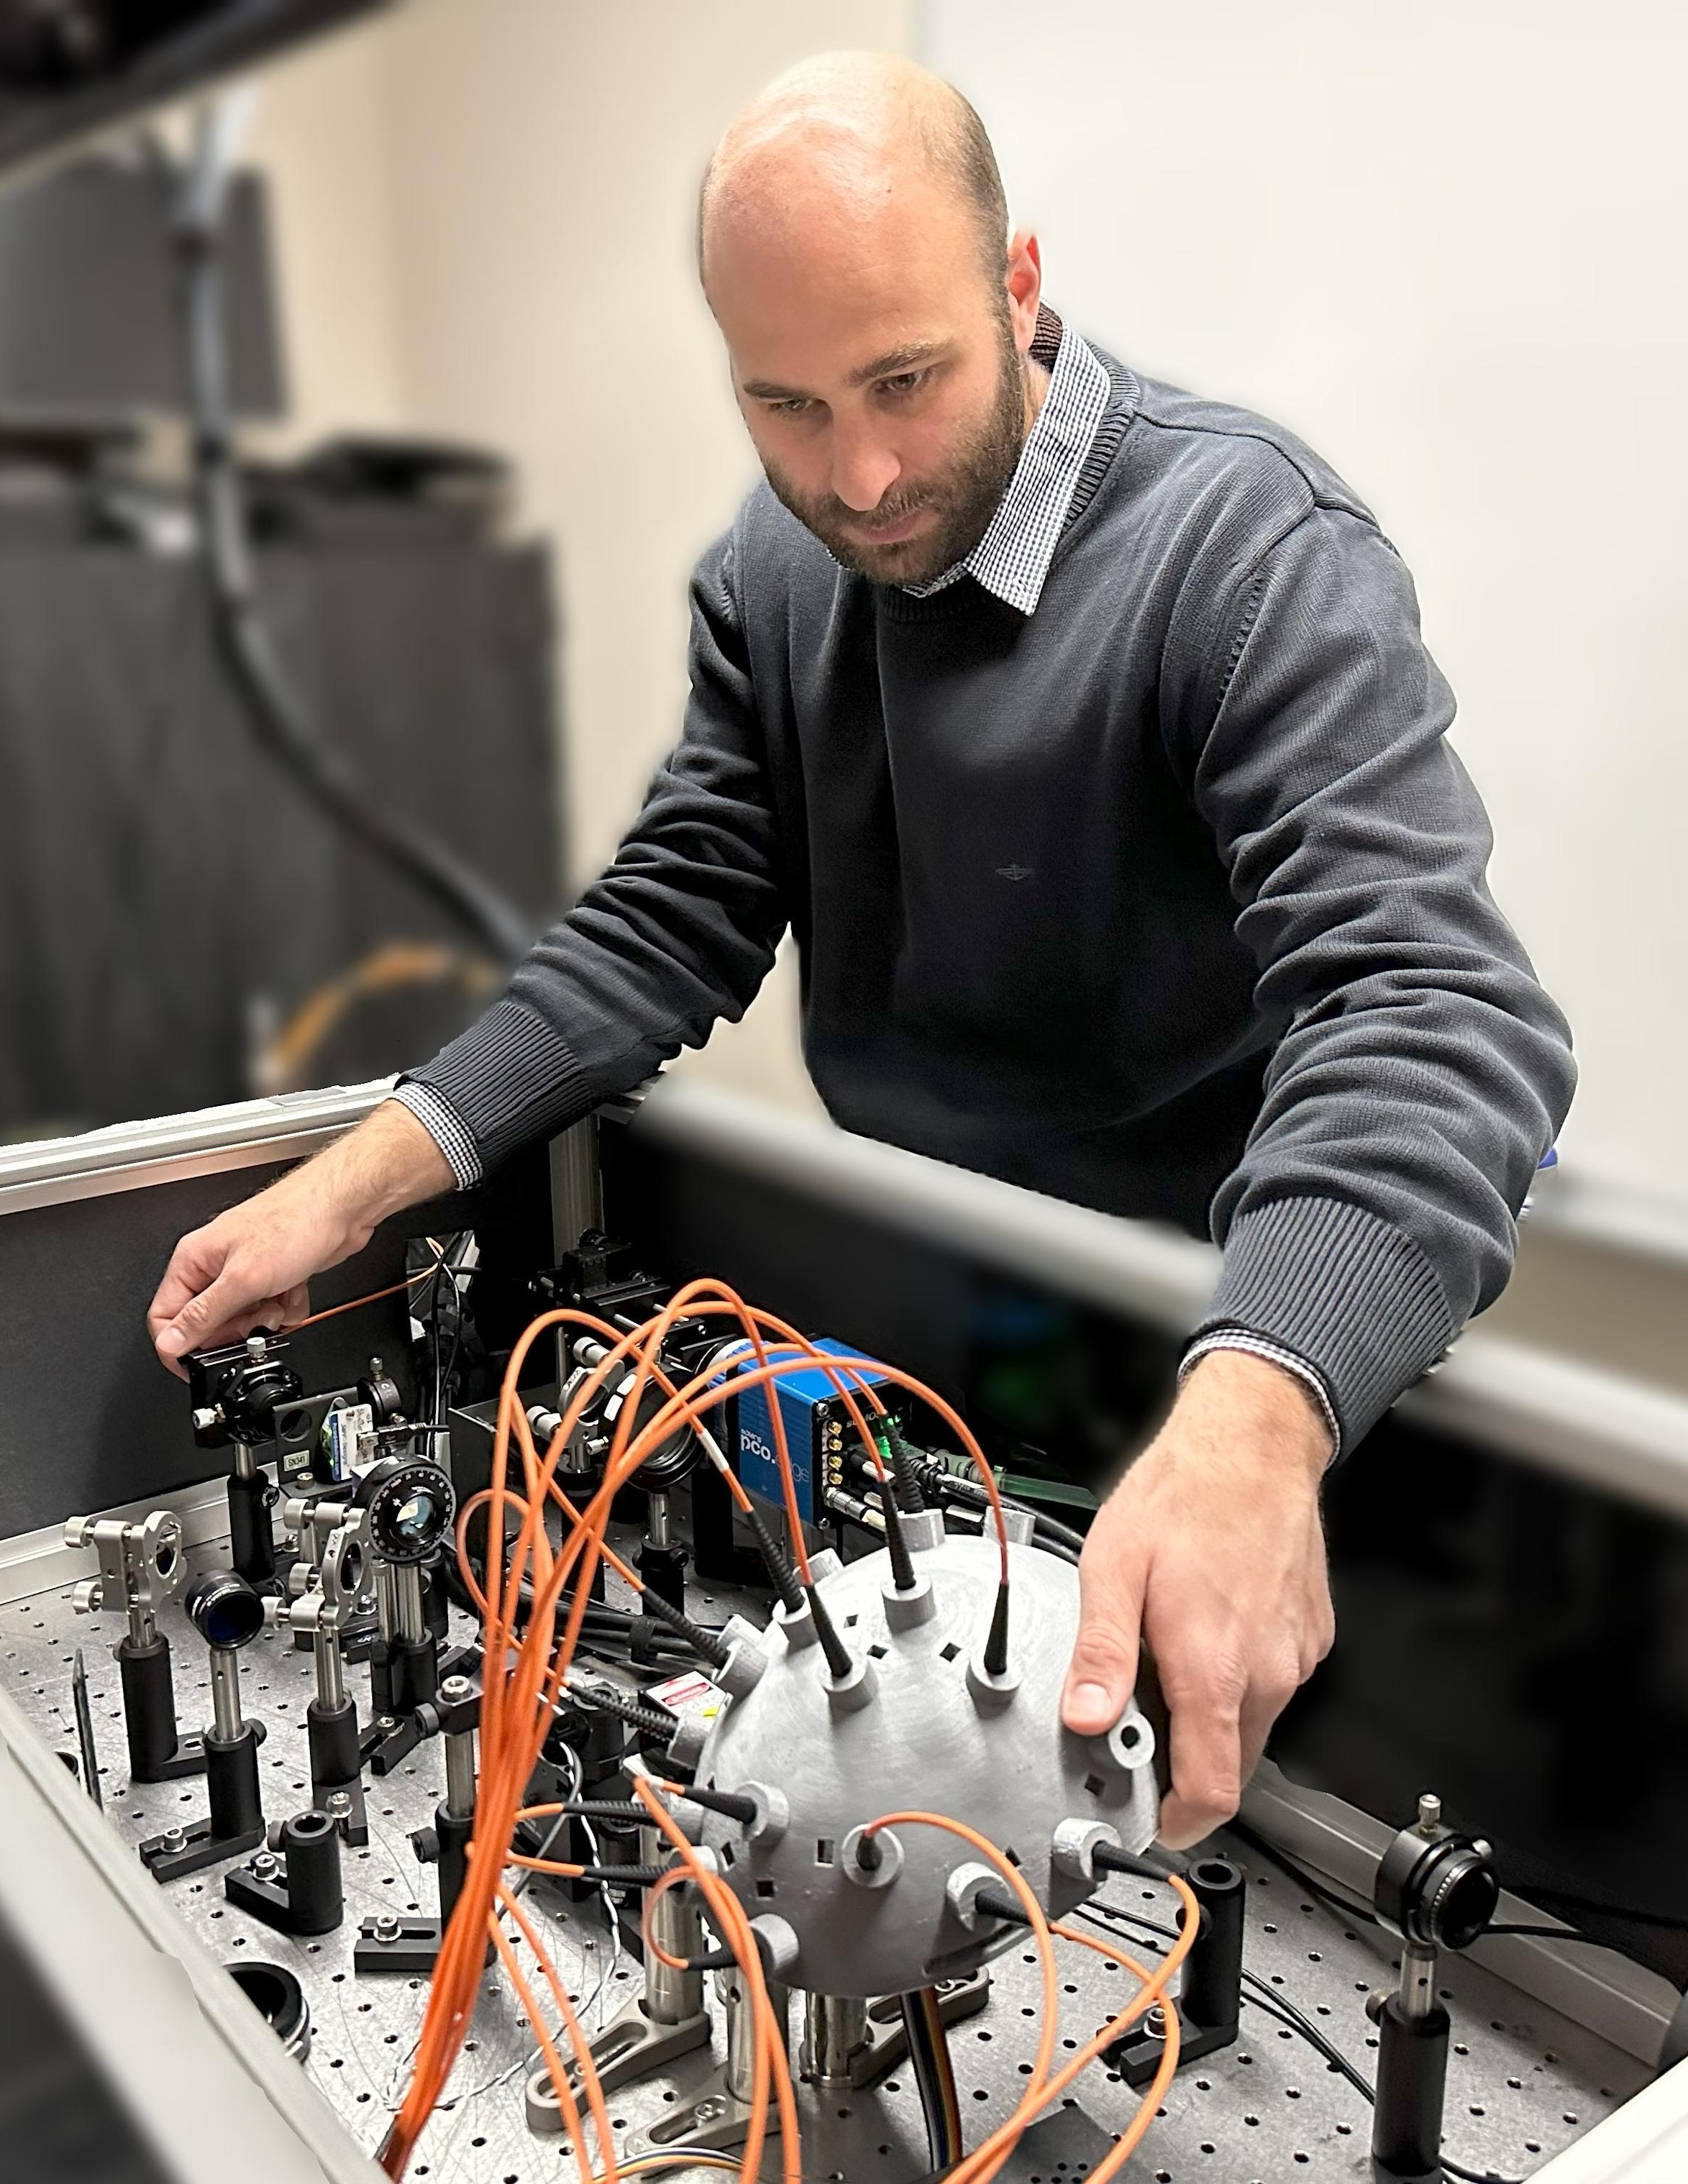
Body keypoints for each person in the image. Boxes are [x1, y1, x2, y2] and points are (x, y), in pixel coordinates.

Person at [147, 52, 1574, 1845]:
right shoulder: (778, 565)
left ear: (1020, 283)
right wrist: (360, 1177)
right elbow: (668, 916)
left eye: (906, 380)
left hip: (1214, 1398)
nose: (865, 473)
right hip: (920, 1380)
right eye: (789, 406)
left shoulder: (1249, 551)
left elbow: (1433, 1006)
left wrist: (1262, 1417)